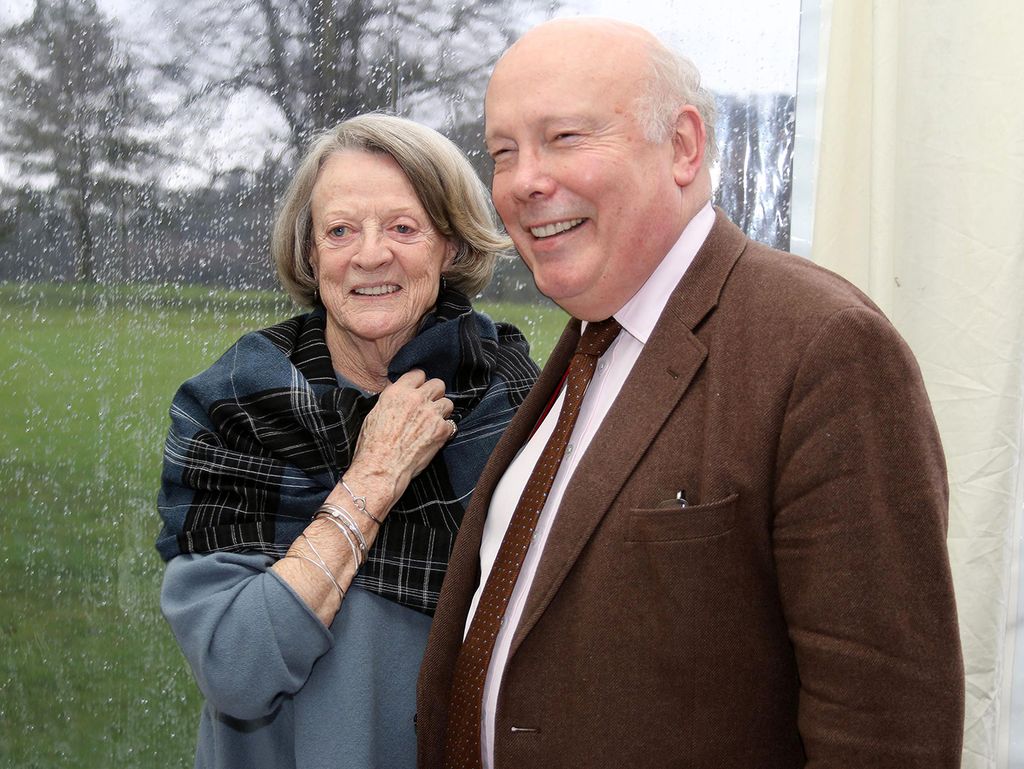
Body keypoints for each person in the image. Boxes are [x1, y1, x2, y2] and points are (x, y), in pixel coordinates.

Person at [416, 18, 964, 769]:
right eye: (503, 151)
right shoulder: (587, 344)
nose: (523, 181)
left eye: (565, 137)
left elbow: (886, 732)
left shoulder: (823, 348)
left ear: (682, 146)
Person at [156, 113, 539, 769]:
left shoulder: (520, 404)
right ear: (310, 253)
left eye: (402, 227)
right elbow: (237, 669)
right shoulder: (236, 407)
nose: (369, 254)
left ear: (449, 244)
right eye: (340, 230)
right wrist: (372, 480)